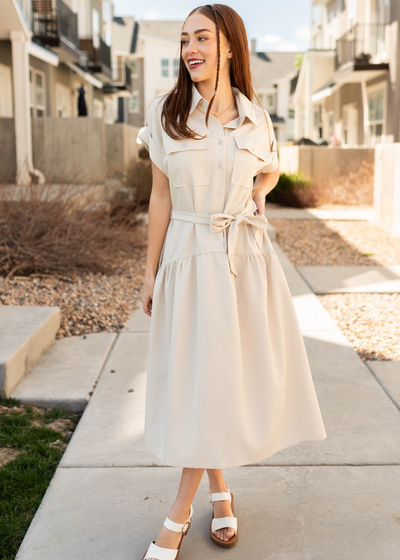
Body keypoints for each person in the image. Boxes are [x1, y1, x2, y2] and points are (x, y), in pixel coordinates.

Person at [138, 5, 327, 560]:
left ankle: (184, 510)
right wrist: (149, 273)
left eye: (201, 37)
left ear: (229, 48)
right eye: (183, 40)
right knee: (205, 381)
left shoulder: (255, 118)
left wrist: (254, 204)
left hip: (244, 261)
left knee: (216, 381)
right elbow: (161, 197)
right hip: (189, 258)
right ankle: (215, 493)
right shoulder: (167, 114)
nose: (190, 48)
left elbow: (267, 172)